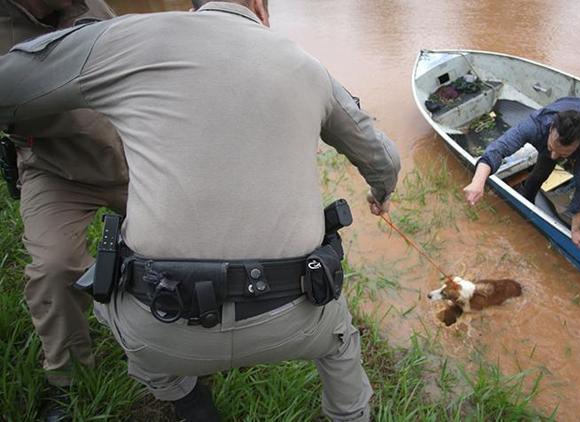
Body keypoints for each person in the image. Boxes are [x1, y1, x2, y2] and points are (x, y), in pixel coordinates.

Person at [0, 0, 400, 420]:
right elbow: (383, 158)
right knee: (340, 343)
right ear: (262, 8)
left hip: (158, 329)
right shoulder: (307, 65)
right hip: (295, 319)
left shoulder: (124, 35)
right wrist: (381, 192)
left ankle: (185, 397)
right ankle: (351, 415)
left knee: (111, 308)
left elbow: (11, 85)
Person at [0, 0, 127, 419]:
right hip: (54, 169)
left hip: (135, 161)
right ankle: (68, 379)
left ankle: (186, 362)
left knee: (181, 246)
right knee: (54, 267)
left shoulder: (93, 8)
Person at [463, 97, 580, 248]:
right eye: (552, 148)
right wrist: (478, 182)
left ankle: (568, 156)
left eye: (562, 154)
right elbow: (498, 149)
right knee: (540, 173)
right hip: (564, 105)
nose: (554, 157)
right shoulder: (536, 124)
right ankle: (526, 205)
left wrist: (576, 230)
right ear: (551, 129)